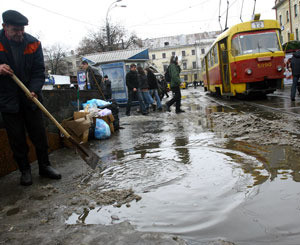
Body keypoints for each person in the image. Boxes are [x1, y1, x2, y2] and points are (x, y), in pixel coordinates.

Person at [0, 10, 61, 186]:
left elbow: (38, 71)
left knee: (39, 135)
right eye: (15, 30)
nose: (20, 33)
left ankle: (45, 166)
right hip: (8, 99)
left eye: (22, 29)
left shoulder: (33, 43)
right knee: (16, 138)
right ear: (5, 27)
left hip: (30, 97)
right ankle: (25, 171)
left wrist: (34, 90)